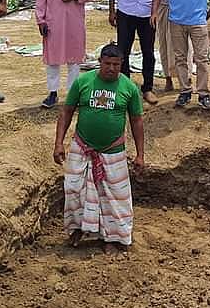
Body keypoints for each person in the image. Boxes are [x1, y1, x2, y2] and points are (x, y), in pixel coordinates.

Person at [54, 43, 145, 254]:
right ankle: (76, 229)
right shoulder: (84, 81)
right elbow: (66, 112)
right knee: (74, 189)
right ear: (100, 62)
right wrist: (59, 143)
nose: (111, 68)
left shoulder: (129, 88)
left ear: (122, 64)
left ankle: (112, 237)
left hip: (113, 150)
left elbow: (137, 121)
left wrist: (140, 154)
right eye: (107, 64)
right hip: (82, 146)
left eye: (116, 64)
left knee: (114, 196)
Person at [35, 0, 98, 109]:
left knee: (74, 58)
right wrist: (40, 20)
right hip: (52, 21)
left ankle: (72, 94)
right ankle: (52, 93)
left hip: (74, 22)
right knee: (52, 58)